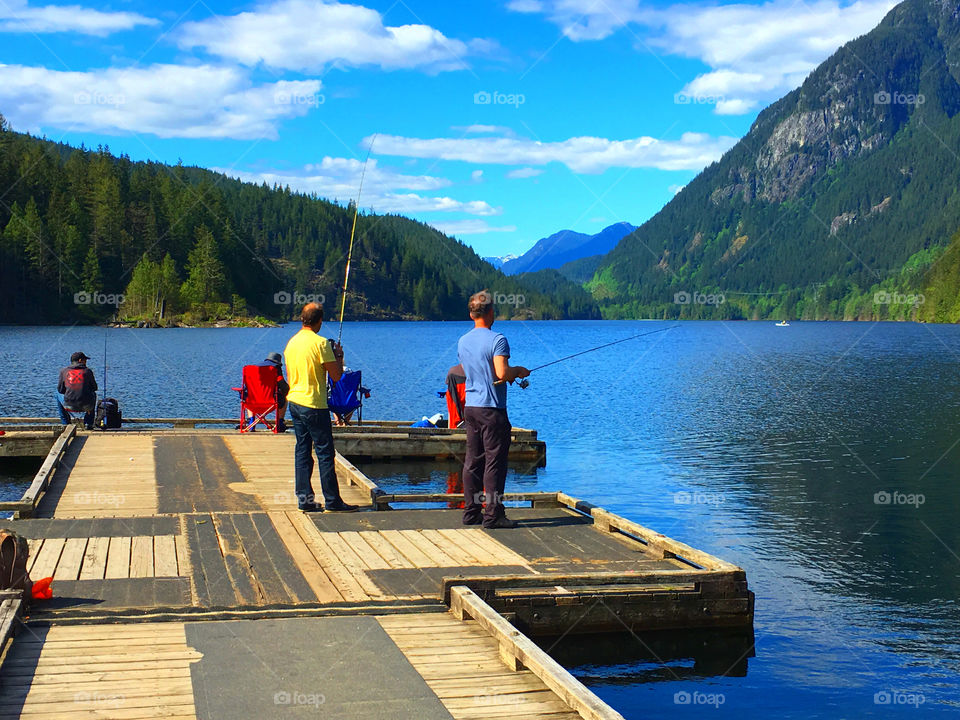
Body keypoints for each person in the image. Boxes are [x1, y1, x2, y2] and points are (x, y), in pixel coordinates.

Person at [458, 290, 529, 528]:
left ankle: (470, 513)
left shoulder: (463, 341)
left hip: (471, 408)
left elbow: (470, 370)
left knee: (473, 461)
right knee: (494, 463)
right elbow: (501, 373)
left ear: (471, 314)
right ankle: (493, 516)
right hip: (492, 410)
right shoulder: (497, 339)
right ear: (491, 313)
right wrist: (517, 370)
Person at [283, 302, 359, 513]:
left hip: (295, 402)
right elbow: (336, 376)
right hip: (314, 404)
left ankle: (305, 500)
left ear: (301, 319)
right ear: (319, 321)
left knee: (302, 451)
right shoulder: (321, 343)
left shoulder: (292, 342)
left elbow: (290, 374)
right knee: (325, 453)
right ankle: (333, 501)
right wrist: (339, 356)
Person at [240, 352, 289, 433]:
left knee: (249, 395)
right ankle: (279, 423)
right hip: (270, 402)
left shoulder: (253, 369)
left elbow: (245, 387)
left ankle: (251, 421)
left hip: (253, 402)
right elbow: (283, 386)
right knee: (285, 397)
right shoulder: (275, 368)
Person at [57, 351, 98, 429]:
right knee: (94, 394)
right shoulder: (88, 371)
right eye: (85, 360)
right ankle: (88, 423)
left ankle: (65, 423)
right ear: (80, 360)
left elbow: (60, 390)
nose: (86, 362)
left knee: (57, 393)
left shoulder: (63, 371)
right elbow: (95, 388)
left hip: (68, 405)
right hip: (87, 405)